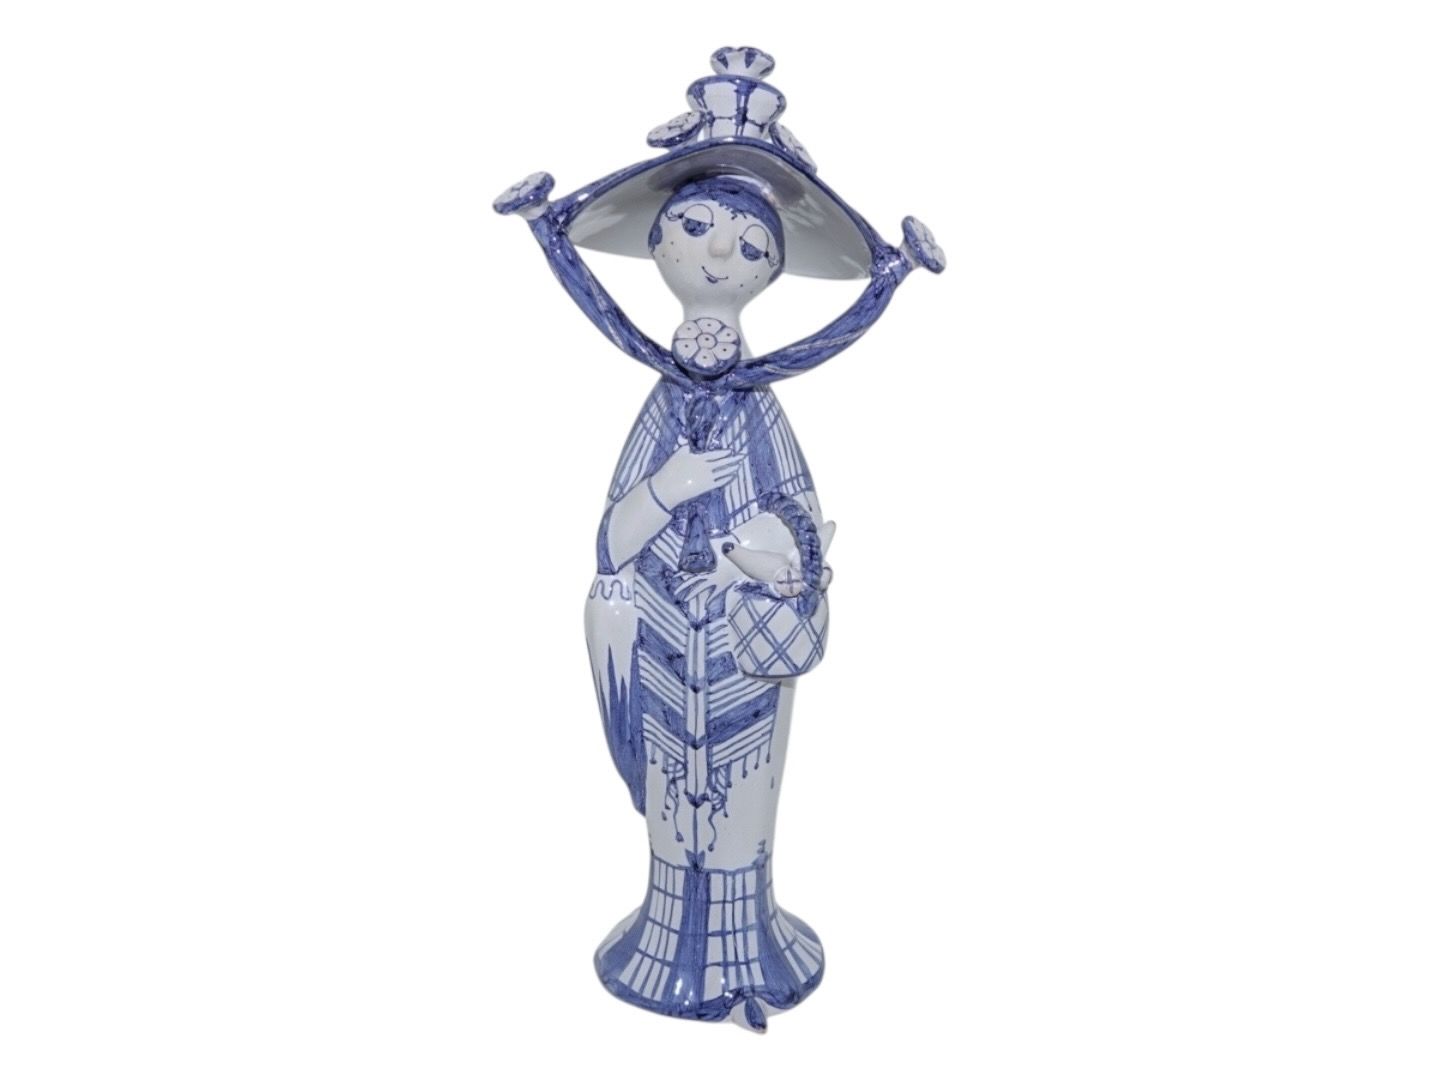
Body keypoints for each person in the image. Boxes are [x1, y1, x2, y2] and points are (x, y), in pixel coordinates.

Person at [494, 46, 943, 1030]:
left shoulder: (760, 409)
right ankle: (668, 939)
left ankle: (745, 943)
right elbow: (612, 546)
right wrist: (668, 487)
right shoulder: (663, 409)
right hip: (663, 651)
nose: (716, 258)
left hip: (741, 655)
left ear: (775, 266)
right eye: (694, 229)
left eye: (748, 244)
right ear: (658, 243)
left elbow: (801, 528)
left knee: (741, 809)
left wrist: (773, 561)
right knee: (669, 800)